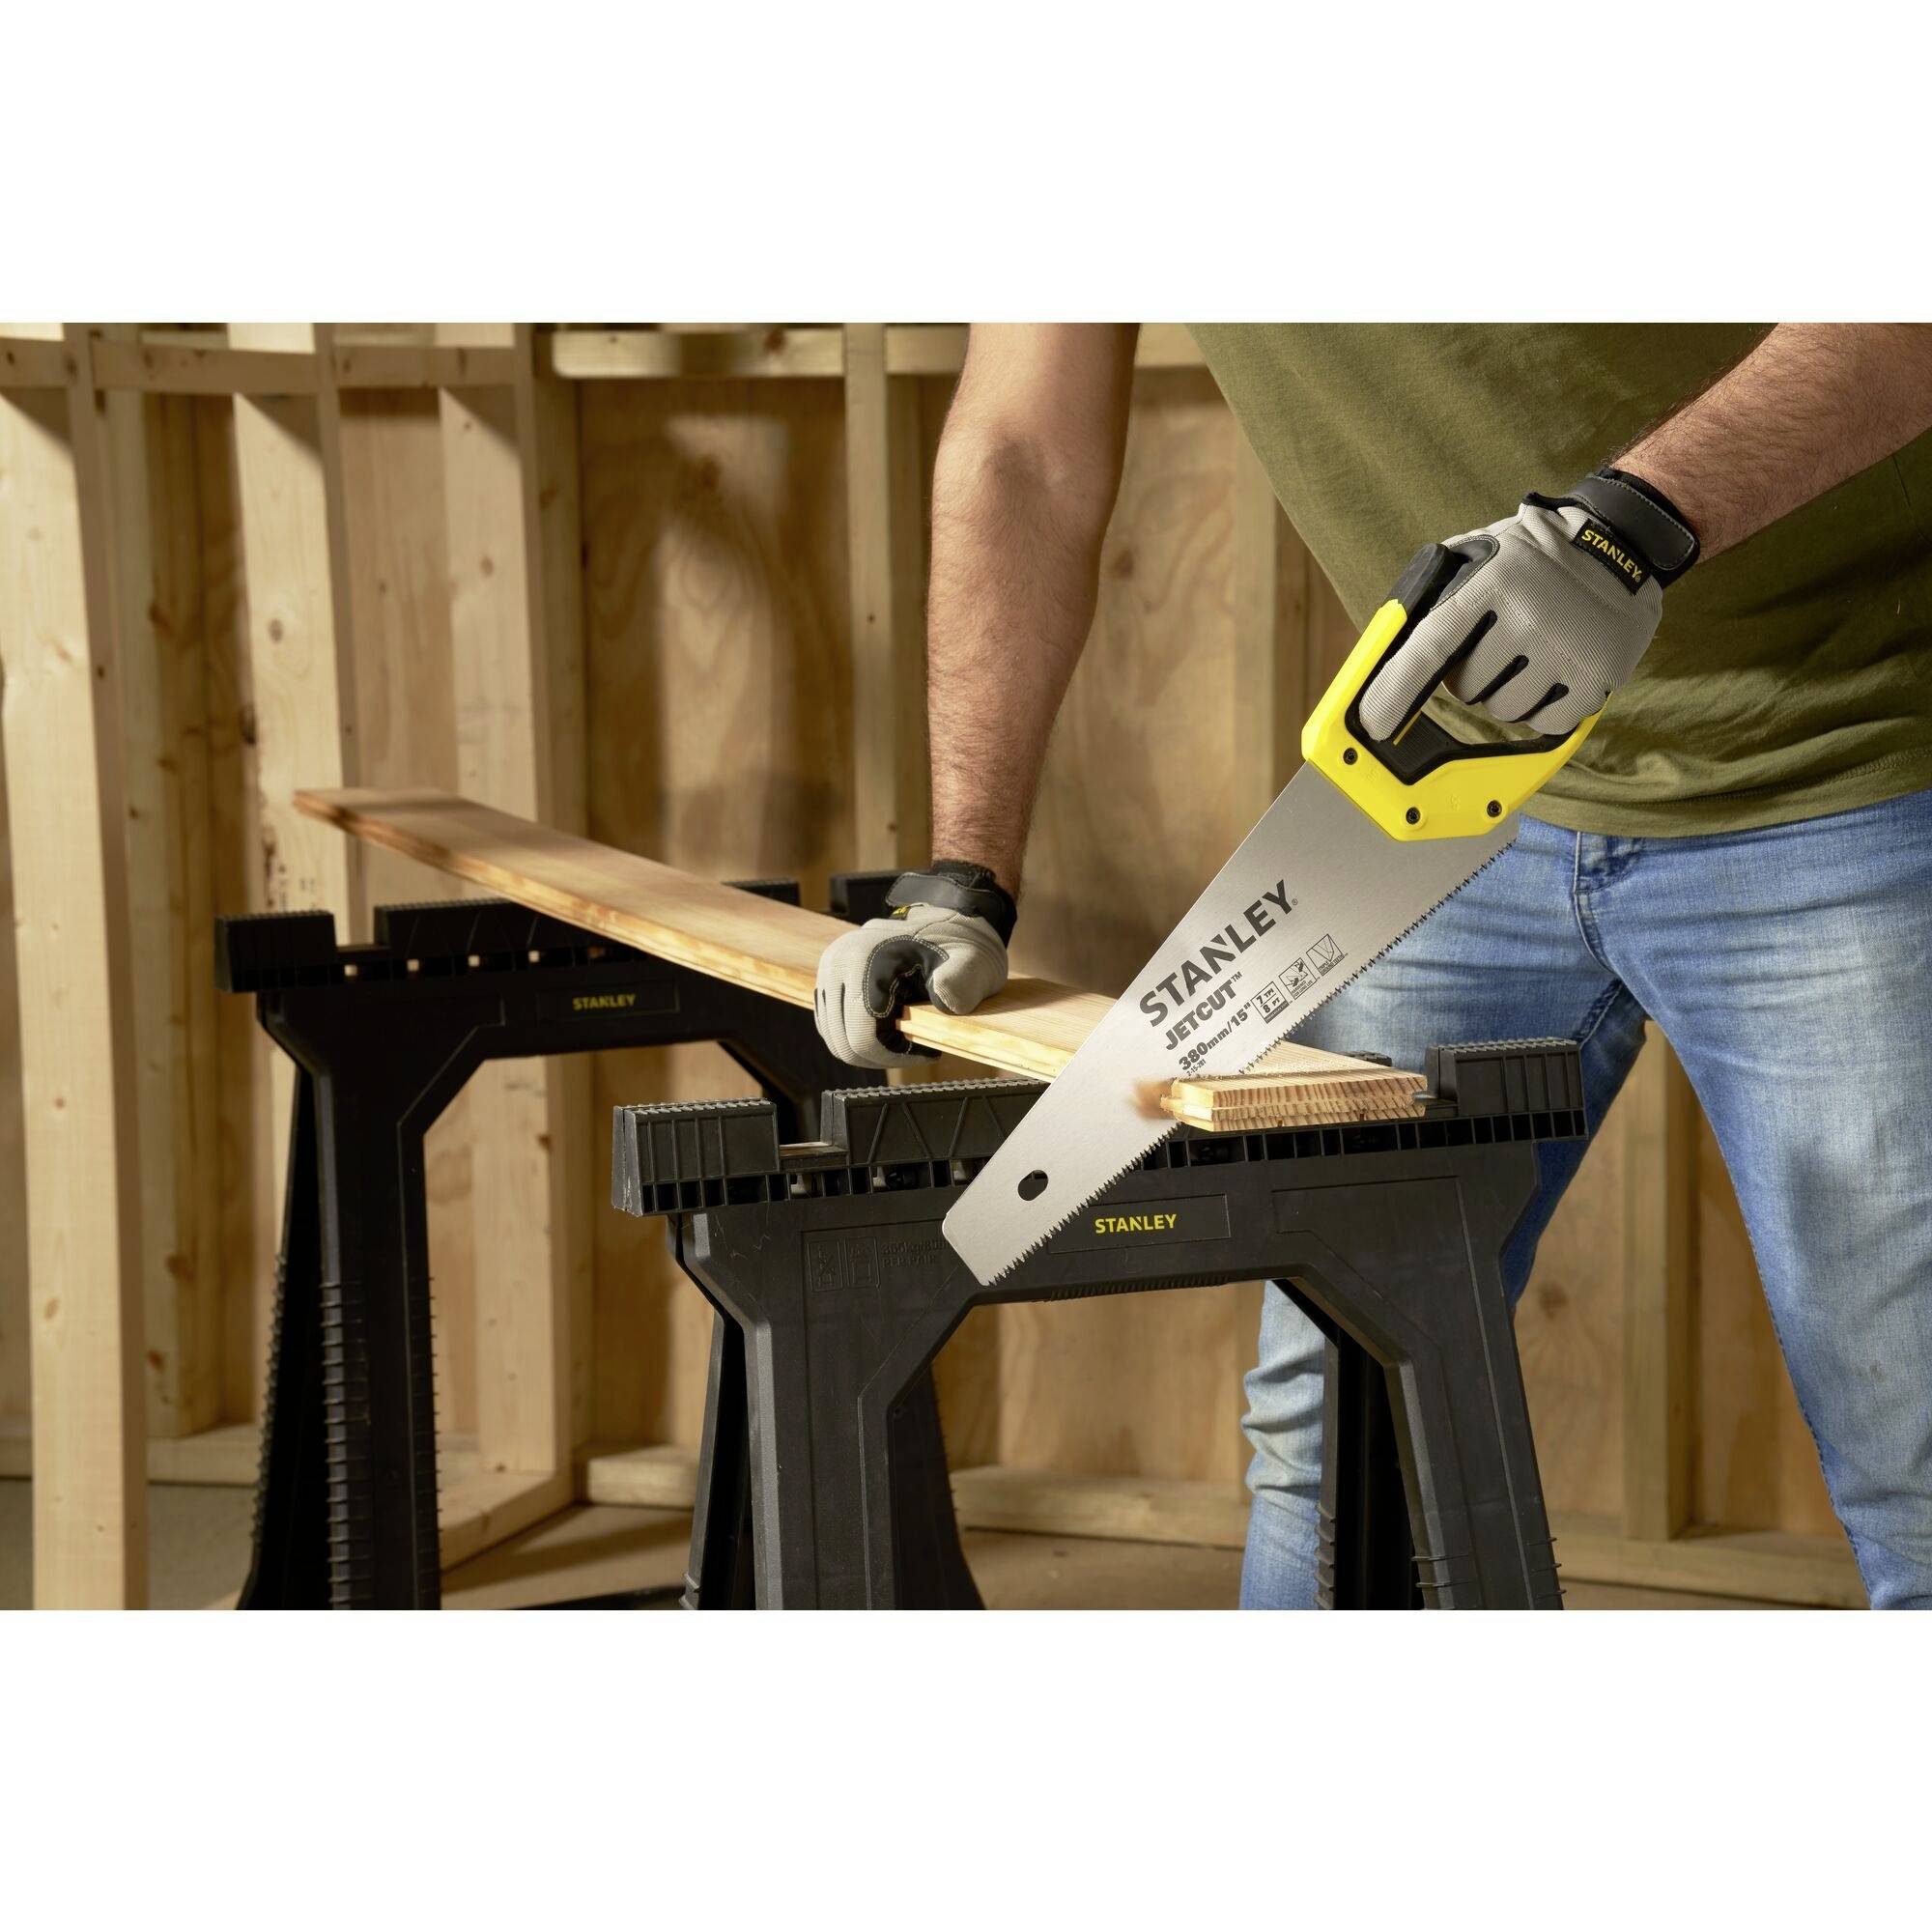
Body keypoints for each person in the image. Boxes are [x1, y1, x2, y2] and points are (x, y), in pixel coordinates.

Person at [813, 324, 1932, 1609]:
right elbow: (1023, 446)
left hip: (1854, 750)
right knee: (1344, 1429)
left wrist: (1630, 526)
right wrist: (963, 879)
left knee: (1916, 1456)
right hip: (1450, 793)